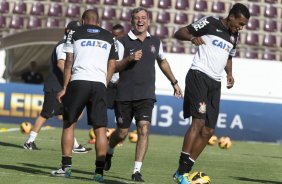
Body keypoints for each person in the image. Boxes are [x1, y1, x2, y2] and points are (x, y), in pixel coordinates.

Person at [172, 3, 250, 184]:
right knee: (198, 122)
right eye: (240, 23)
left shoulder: (234, 35)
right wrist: (192, 38)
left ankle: (182, 171)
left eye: (243, 25)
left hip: (215, 83)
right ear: (231, 17)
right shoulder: (209, 22)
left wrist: (229, 73)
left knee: (208, 131)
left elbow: (229, 55)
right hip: (198, 75)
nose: (241, 27)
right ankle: (182, 172)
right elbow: (179, 32)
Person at [104, 7, 183, 182]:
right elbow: (114, 66)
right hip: (123, 94)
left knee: (144, 129)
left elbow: (162, 61)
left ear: (148, 20)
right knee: (123, 133)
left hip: (146, 94)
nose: (140, 21)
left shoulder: (155, 41)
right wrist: (129, 59)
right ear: (131, 21)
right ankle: (109, 150)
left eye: (143, 18)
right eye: (136, 18)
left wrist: (174, 82)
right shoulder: (122, 42)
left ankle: (136, 171)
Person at [51, 9, 120, 182]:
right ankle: (98, 173)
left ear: (83, 20)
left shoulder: (74, 32)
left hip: (78, 81)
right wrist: (105, 82)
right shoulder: (110, 36)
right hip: (99, 84)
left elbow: (68, 62)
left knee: (69, 124)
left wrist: (65, 87)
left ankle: (66, 168)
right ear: (99, 21)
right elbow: (112, 64)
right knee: (100, 129)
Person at [23, 20, 90, 154]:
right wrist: (72, 78)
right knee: (46, 114)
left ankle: (74, 144)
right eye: (73, 30)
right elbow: (61, 64)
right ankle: (29, 141)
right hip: (55, 86)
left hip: (63, 86)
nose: (75, 33)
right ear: (67, 30)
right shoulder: (63, 44)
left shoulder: (71, 44)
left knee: (69, 116)